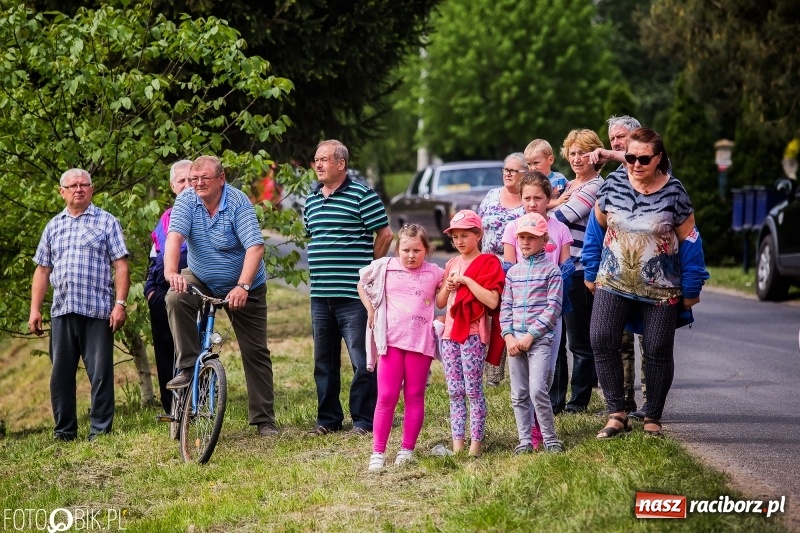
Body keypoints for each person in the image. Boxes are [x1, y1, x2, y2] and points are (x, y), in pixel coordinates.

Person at [584, 127, 708, 439]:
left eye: (644, 159)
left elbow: (691, 241)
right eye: (630, 157)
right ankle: (617, 413)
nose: (636, 164)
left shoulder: (674, 192)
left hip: (660, 287)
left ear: (659, 158)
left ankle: (653, 415)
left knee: (657, 348)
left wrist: (692, 287)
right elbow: (596, 229)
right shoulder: (612, 185)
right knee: (601, 338)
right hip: (613, 280)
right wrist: (590, 270)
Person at [163, 155, 278, 437]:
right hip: (201, 276)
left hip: (244, 283)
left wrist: (243, 286)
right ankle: (188, 367)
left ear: (221, 178)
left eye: (205, 178)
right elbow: (174, 238)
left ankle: (264, 419)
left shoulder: (238, 202)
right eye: (194, 178)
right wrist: (171, 272)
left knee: (255, 350)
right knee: (175, 298)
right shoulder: (187, 200)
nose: (198, 183)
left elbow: (255, 247)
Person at [29, 168, 130, 441]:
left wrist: (120, 303)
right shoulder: (53, 226)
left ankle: (100, 430)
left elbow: (121, 266)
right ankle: (64, 431)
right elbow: (42, 270)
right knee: (60, 375)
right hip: (62, 310)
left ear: (92, 189)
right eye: (72, 185)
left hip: (97, 310)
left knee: (100, 375)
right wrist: (35, 309)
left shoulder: (106, 222)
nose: (79, 189)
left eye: (84, 184)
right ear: (62, 192)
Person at [305, 140, 394, 436]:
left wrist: (369, 271)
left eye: (324, 159)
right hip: (320, 295)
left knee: (362, 359)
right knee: (324, 362)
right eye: (316, 159)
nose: (318, 164)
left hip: (354, 296)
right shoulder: (311, 200)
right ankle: (328, 419)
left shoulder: (362, 195)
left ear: (341, 163)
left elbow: (385, 234)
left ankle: (364, 420)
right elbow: (315, 237)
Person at [358, 224, 444, 471]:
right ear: (397, 250)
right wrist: (370, 309)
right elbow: (361, 284)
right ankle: (378, 452)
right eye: (406, 250)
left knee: (414, 396)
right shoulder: (384, 266)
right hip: (391, 342)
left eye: (417, 250)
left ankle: (407, 450)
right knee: (386, 396)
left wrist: (445, 312)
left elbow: (443, 299)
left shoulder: (436, 273)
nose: (411, 255)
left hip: (420, 343)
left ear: (426, 250)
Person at [501, 171, 574, 445]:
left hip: (547, 314)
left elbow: (565, 268)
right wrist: (509, 334)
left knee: (544, 376)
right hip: (519, 314)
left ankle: (546, 431)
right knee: (521, 389)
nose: (532, 203)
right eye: (527, 198)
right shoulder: (513, 230)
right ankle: (529, 434)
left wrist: (551, 283)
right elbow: (509, 277)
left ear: (549, 198)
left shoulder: (559, 229)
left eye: (538, 198)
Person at [434, 210, 505, 457]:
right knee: (454, 391)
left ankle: (475, 446)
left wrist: (467, 281)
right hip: (449, 334)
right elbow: (440, 302)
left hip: (473, 333)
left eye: (465, 235)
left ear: (478, 235)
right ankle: (458, 445)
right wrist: (448, 286)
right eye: (455, 237)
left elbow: (492, 301)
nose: (460, 241)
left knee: (473, 390)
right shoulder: (451, 264)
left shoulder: (489, 262)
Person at [551, 129, 606, 414]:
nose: (576, 159)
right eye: (572, 153)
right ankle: (555, 401)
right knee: (555, 341)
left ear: (595, 155)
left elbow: (562, 217)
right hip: (557, 269)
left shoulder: (596, 186)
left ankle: (578, 401)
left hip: (579, 269)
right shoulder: (570, 185)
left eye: (582, 153)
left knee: (579, 341)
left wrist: (540, 207)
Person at [500, 212, 563, 454]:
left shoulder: (552, 271)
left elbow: (553, 308)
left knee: (537, 389)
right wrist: (509, 337)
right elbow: (506, 307)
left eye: (531, 237)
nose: (525, 242)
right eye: (522, 237)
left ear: (544, 239)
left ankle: (549, 439)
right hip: (515, 341)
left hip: (539, 341)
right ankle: (524, 440)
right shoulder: (513, 273)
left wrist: (531, 336)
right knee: (519, 393)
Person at [144, 160, 192, 414]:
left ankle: (195, 402)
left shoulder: (205, 213)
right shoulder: (165, 219)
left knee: (191, 348)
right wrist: (150, 291)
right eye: (181, 181)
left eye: (190, 179)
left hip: (192, 289)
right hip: (162, 291)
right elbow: (154, 259)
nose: (187, 185)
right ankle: (171, 408)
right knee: (164, 349)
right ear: (173, 186)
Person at [478, 152, 525, 387]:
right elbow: (477, 227)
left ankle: (495, 374)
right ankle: (478, 369)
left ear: (525, 174)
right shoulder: (491, 195)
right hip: (486, 266)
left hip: (514, 269)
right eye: (506, 169)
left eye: (513, 170)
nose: (507, 173)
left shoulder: (528, 201)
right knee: (482, 318)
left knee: (503, 319)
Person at [523, 139, 570, 211]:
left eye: (536, 163)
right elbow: (539, 203)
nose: (532, 168)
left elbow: (570, 189)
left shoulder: (560, 178)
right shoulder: (531, 184)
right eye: (529, 164)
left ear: (550, 160)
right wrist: (558, 202)